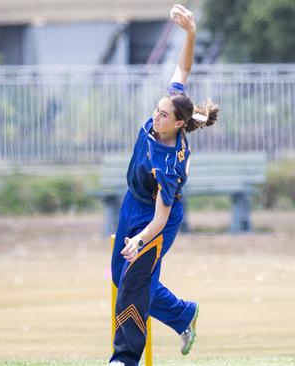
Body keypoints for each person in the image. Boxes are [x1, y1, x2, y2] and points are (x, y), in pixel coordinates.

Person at [108, 5, 219, 366]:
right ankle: (183, 314)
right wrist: (190, 32)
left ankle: (124, 359)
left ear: (178, 124)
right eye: (157, 109)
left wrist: (141, 240)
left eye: (163, 114)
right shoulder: (170, 110)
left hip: (158, 220)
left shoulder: (169, 165)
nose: (156, 115)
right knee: (119, 276)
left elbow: (160, 219)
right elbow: (183, 69)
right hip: (133, 203)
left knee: (134, 282)